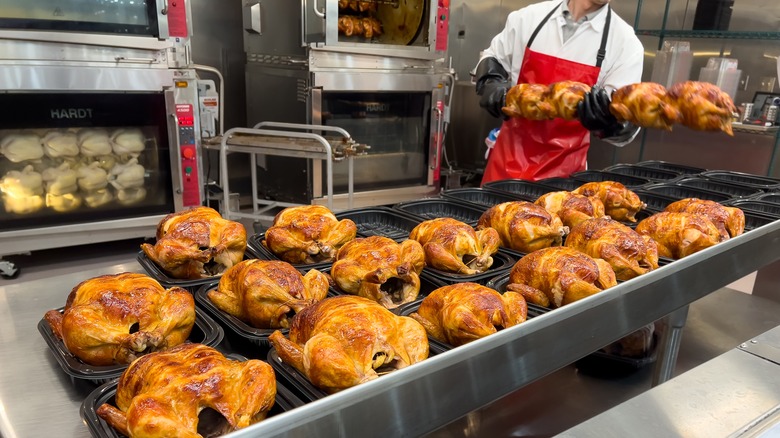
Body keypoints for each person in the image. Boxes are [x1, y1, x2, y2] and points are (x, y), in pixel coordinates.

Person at [474, 0, 644, 184]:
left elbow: (627, 124)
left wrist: (608, 123)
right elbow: (493, 57)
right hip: (507, 166)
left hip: (563, 180)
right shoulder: (529, 18)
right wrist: (492, 85)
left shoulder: (625, 43)